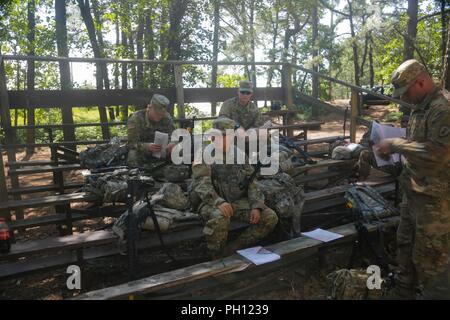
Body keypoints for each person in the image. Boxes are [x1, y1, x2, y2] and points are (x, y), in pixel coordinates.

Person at [376, 59, 450, 299]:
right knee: (405, 245)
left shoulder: (443, 108)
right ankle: (403, 292)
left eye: (406, 91)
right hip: (413, 192)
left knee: (432, 258)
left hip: (436, 202)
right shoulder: (420, 107)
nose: (404, 98)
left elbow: (437, 154)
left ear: (421, 81)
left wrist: (396, 144)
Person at [190, 117, 278, 259]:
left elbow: (252, 182)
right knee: (220, 218)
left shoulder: (239, 154)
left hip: (236, 201)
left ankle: (234, 247)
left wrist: (256, 205)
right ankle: (217, 258)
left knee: (269, 217)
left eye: (227, 135)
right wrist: (218, 202)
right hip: (210, 202)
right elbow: (201, 184)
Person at [127, 94, 177, 173]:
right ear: (149, 108)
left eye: (161, 114)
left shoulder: (166, 118)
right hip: (144, 152)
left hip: (163, 151)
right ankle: (136, 177)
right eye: (157, 113)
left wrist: (172, 143)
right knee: (132, 154)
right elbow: (131, 144)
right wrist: (147, 146)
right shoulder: (136, 118)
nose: (160, 116)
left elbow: (174, 136)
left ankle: (173, 175)